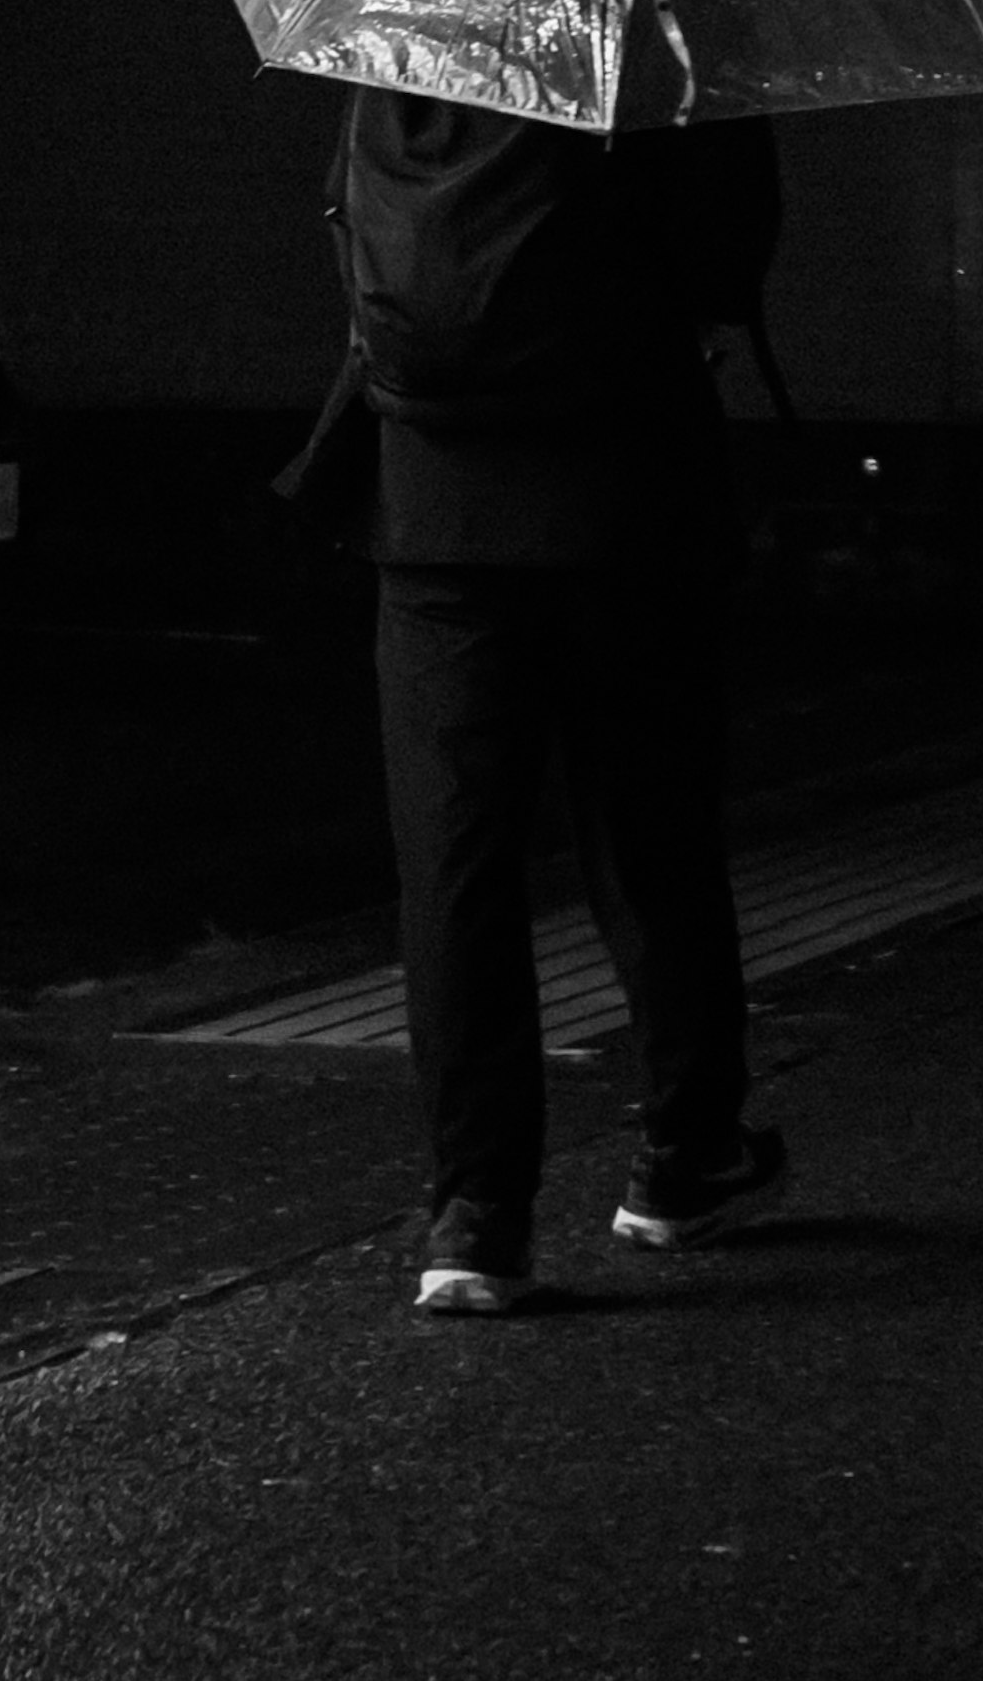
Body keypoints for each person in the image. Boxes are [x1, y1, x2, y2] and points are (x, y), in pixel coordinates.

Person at [284, 88, 791, 1315]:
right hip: (625, 495)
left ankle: (475, 1217)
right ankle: (684, 1157)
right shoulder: (659, 36)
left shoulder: (401, 31)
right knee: (650, 833)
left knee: (455, 864)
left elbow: (353, 232)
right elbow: (728, 261)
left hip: (433, 502)